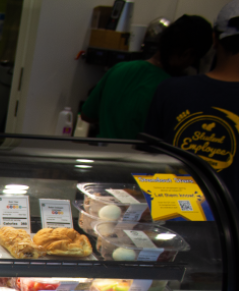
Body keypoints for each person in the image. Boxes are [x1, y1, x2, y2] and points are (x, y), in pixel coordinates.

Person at [145, 1, 239, 204]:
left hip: (171, 217)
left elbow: (148, 161)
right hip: (232, 228)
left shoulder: (171, 90)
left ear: (215, 39)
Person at [80, 15, 213, 139]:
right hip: (138, 161)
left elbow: (87, 115)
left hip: (103, 156)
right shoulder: (172, 89)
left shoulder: (119, 69)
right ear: (186, 54)